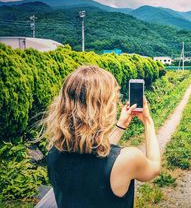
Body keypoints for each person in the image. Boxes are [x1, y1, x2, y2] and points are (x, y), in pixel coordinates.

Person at [43, 65, 161, 207]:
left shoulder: (54, 154)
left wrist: (120, 126)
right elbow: (154, 168)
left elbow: (95, 156)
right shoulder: (128, 159)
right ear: (103, 108)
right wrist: (148, 121)